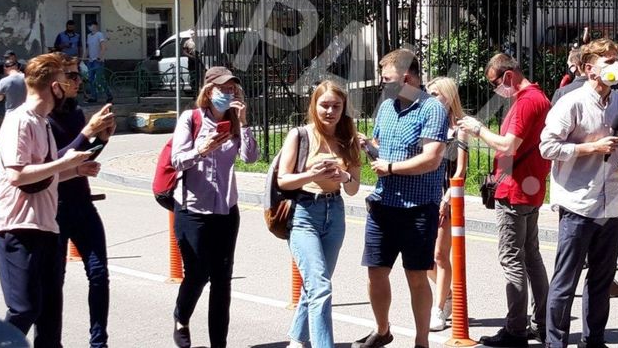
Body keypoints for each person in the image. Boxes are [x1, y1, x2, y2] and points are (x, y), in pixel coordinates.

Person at [0, 52, 97, 345]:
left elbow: (43, 177)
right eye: (67, 79)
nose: (73, 84)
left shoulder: (42, 122)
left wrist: (75, 170)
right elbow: (18, 175)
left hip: (46, 227)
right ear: (54, 86)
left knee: (49, 313)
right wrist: (63, 163)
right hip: (18, 227)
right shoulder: (19, 121)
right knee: (24, 309)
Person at [539, 38, 618, 348]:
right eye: (607, 61)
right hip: (578, 203)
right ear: (588, 68)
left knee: (601, 280)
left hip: (613, 203)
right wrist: (590, 148)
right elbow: (547, 147)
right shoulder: (571, 103)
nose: (615, 66)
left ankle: (593, 341)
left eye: (616, 60)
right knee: (565, 281)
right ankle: (555, 343)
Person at [353, 49, 448, 348]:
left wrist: (391, 167)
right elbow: (381, 150)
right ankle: (382, 330)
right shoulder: (386, 107)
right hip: (383, 204)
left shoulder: (432, 109)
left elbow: (431, 159)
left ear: (407, 78)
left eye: (387, 79)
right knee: (375, 273)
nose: (382, 84)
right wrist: (368, 146)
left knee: (416, 276)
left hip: (418, 208)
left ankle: (422, 341)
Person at [457, 53, 551, 347]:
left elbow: (509, 145)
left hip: (514, 190)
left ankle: (515, 329)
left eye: (495, 82)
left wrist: (478, 129)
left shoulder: (525, 102)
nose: (495, 88)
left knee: (512, 259)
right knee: (532, 256)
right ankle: (543, 324)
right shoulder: (539, 98)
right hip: (531, 187)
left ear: (508, 76)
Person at [170, 66, 259, 348]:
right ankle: (181, 316)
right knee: (197, 274)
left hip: (226, 210)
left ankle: (218, 344)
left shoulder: (234, 122)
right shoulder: (191, 119)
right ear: (209, 91)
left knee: (222, 281)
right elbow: (177, 160)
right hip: (193, 210)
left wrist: (243, 123)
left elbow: (250, 158)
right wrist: (201, 150)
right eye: (223, 89)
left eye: (232, 89)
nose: (229, 93)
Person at [277, 80, 362, 348]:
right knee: (321, 287)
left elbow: (353, 189)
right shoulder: (300, 135)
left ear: (343, 107)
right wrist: (310, 175)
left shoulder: (349, 138)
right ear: (314, 105)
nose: (330, 111)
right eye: (324, 105)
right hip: (304, 213)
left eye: (336, 106)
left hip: (334, 213)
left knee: (316, 285)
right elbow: (283, 180)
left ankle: (297, 338)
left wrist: (344, 176)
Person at [48, 54, 116, 347]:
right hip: (53, 209)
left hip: (82, 203)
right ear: (55, 82)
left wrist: (102, 140)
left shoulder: (75, 113)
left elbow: (81, 157)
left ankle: (99, 342)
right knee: (54, 281)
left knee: (99, 274)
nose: (79, 81)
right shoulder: (42, 119)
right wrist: (87, 132)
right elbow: (50, 163)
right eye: (72, 76)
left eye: (79, 75)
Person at [424, 76, 469, 332]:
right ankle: (448, 293)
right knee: (420, 257)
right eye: (428, 93)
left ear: (449, 97)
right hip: (424, 195)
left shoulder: (459, 128)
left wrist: (447, 197)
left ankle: (438, 308)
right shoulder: (425, 124)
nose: (430, 99)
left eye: (435, 94)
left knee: (440, 255)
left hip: (447, 196)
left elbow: (460, 170)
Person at [85, 21, 112, 103]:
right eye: (88, 25)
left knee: (99, 79)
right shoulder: (89, 36)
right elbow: (88, 47)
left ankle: (109, 95)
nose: (89, 27)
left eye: (91, 25)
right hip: (90, 61)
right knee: (91, 79)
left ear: (96, 26)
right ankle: (94, 97)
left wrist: (99, 57)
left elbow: (103, 47)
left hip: (98, 61)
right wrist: (84, 56)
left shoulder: (99, 34)